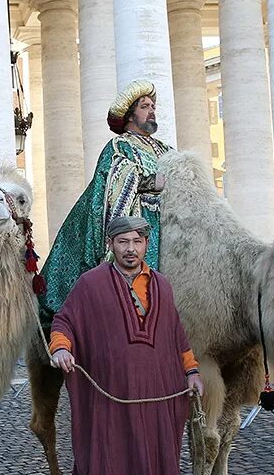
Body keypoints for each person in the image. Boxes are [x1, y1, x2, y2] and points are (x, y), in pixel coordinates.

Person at [48, 216, 204, 475]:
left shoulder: (162, 285)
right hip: (109, 399)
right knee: (109, 461)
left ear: (146, 244)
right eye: (122, 242)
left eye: (136, 241)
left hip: (158, 395)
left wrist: (192, 371)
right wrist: (61, 348)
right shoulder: (90, 285)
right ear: (111, 244)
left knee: (155, 462)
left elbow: (176, 334)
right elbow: (64, 321)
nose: (130, 249)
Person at [38, 79, 173, 320]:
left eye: (153, 105)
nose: (152, 110)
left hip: (167, 226)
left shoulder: (164, 149)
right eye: (145, 106)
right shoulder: (119, 146)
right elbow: (114, 177)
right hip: (138, 223)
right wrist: (151, 182)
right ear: (130, 115)